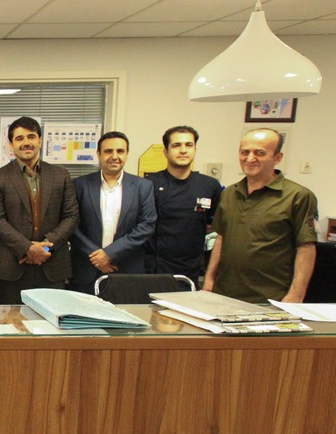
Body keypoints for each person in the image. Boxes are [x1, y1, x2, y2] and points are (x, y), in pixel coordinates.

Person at [203, 128, 318, 303]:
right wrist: (209, 279)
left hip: (270, 299)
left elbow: (306, 247)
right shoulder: (229, 193)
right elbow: (221, 238)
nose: (250, 158)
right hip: (223, 294)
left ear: (277, 158)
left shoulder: (298, 196)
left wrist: (296, 295)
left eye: (259, 153)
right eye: (245, 152)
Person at [0, 117, 80, 304]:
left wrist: (45, 247)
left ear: (40, 140)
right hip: (11, 266)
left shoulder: (60, 175)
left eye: (31, 137)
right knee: (13, 319)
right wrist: (27, 248)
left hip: (52, 262)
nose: (26, 142)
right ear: (11, 145)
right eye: (19, 138)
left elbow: (72, 216)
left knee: (52, 319)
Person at [71, 131, 156, 293]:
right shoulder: (79, 185)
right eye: (108, 151)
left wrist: (110, 254)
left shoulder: (143, 187)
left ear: (127, 154)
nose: (114, 156)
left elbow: (147, 226)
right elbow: (71, 225)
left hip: (126, 271)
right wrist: (97, 257)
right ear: (98, 154)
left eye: (120, 151)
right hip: (86, 270)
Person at [145, 126, 221, 285]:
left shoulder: (209, 186)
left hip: (190, 270)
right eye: (176, 145)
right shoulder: (149, 184)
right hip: (153, 270)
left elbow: (213, 224)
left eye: (188, 145)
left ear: (195, 149)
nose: (183, 150)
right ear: (166, 152)